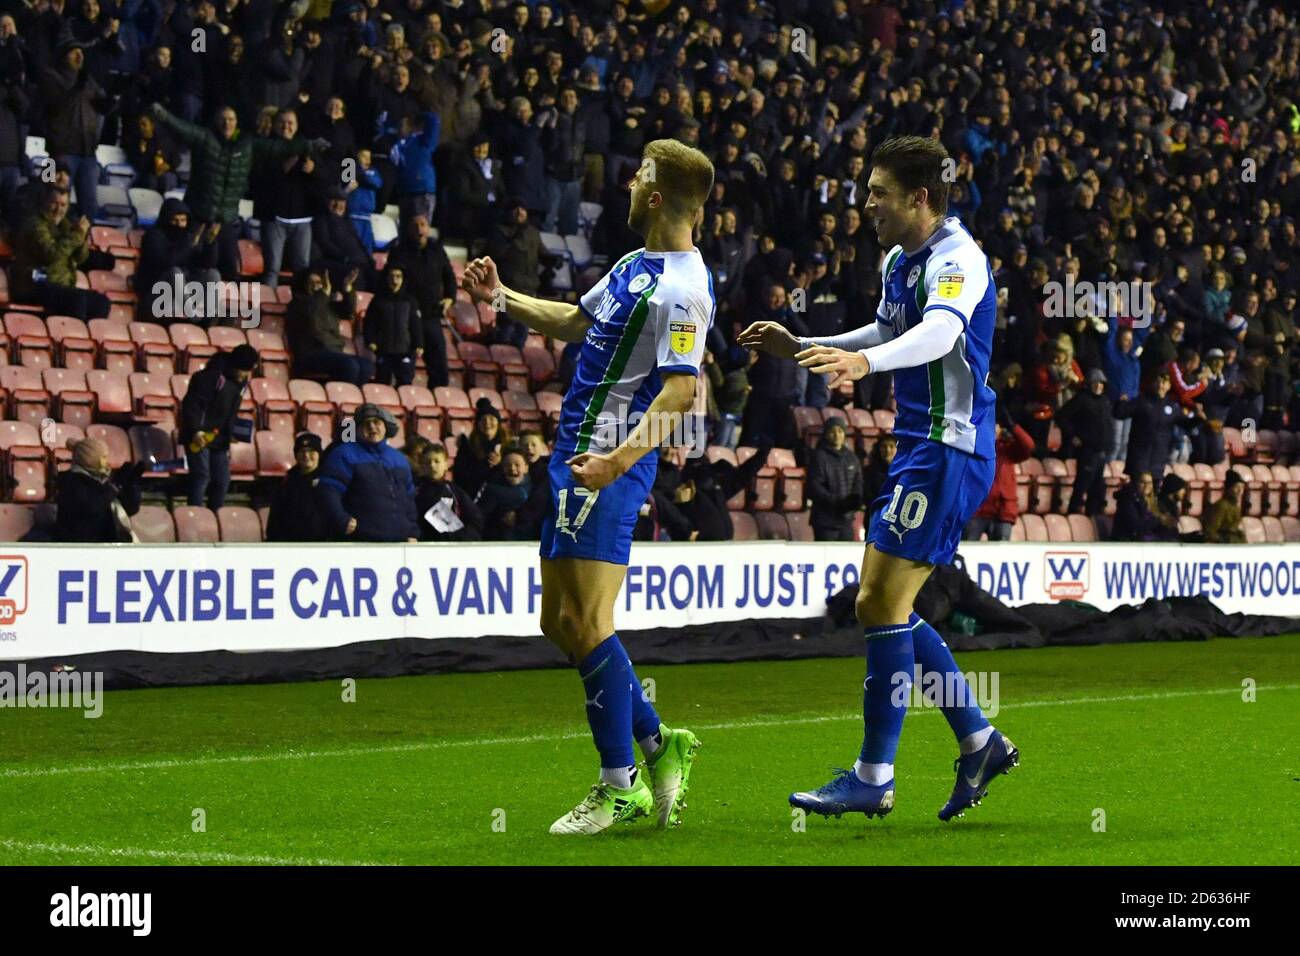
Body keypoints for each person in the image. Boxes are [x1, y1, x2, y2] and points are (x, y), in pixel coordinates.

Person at [739, 136, 1016, 824]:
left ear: (919, 198)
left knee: (881, 604)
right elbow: (887, 329)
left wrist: (866, 368)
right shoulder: (899, 260)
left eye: (878, 194)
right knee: (878, 604)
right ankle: (978, 739)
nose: (866, 206)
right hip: (918, 445)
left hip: (950, 448)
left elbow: (939, 335)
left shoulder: (961, 259)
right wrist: (805, 346)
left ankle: (874, 776)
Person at [461, 138, 712, 834]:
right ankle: (662, 743)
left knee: (589, 623)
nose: (629, 184)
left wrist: (618, 460)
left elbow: (680, 393)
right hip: (576, 453)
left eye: (639, 177)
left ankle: (619, 783)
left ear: (658, 196)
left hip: (607, 458)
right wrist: (502, 297)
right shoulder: (636, 266)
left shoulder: (685, 288)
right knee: (558, 623)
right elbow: (579, 320)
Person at [150, 102, 328, 279]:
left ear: (236, 122)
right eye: (223, 119)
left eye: (231, 119)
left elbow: (278, 147)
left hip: (227, 218)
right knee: (191, 262)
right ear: (216, 121)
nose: (227, 123)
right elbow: (183, 128)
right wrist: (164, 116)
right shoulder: (204, 138)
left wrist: (309, 146)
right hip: (199, 215)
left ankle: (224, 306)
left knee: (229, 270)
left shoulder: (246, 143)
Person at [315, 404, 420, 542]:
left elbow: (409, 498)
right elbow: (328, 490)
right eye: (366, 423)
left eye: (376, 422)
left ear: (385, 427)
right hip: (360, 540)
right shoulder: (343, 454)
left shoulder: (399, 458)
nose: (372, 427)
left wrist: (412, 530)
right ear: (357, 429)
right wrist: (341, 520)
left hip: (399, 540)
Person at [11, 186, 110, 320]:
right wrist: (76, 236)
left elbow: (80, 258)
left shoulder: (65, 225)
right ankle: (75, 337)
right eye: (54, 203)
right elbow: (52, 255)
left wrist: (81, 236)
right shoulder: (35, 225)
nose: (59, 209)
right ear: (45, 202)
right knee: (77, 300)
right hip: (32, 284)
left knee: (101, 302)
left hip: (58, 285)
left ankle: (89, 337)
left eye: (63, 205)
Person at [180, 345, 259, 511]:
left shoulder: (240, 382)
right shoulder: (210, 377)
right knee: (201, 476)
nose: (247, 374)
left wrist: (231, 431)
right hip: (199, 436)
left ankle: (215, 517)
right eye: (245, 370)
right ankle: (195, 515)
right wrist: (196, 430)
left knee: (222, 479)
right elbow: (193, 406)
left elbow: (231, 410)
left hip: (219, 437)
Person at [135, 197, 221, 321]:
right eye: (174, 220)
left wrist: (210, 242)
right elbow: (167, 262)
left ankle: (210, 318)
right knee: (175, 272)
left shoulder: (188, 238)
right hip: (155, 298)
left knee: (213, 274)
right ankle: (192, 315)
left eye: (183, 220)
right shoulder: (153, 237)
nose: (179, 225)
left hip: (181, 296)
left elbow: (207, 263)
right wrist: (187, 244)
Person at [286, 266, 374, 386]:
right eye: (311, 283)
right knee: (349, 365)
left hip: (332, 351)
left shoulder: (327, 303)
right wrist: (323, 294)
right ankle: (340, 397)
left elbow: (348, 311)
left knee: (366, 366)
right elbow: (313, 314)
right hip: (308, 353)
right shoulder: (298, 304)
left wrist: (347, 289)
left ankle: (353, 398)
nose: (317, 286)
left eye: (319, 282)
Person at [51, 437, 144, 543]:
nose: (106, 461)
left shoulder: (103, 480)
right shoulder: (70, 481)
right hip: (81, 545)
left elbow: (131, 509)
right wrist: (114, 485)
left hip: (105, 544)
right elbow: (93, 507)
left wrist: (132, 484)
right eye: (103, 457)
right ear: (90, 459)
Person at [964, 410, 1035, 541]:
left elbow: (1028, 445)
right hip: (976, 510)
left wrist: (1013, 426)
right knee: (968, 553)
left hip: (1003, 512)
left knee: (1000, 554)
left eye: (995, 425)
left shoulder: (1008, 449)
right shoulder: (972, 446)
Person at [1056, 368, 1116, 516]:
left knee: (1097, 486)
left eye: (1101, 383)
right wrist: (1073, 436)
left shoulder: (1105, 401)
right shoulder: (1081, 399)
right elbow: (1061, 417)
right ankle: (1073, 514)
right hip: (1087, 451)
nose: (1098, 386)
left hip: (1101, 451)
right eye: (1095, 383)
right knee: (1082, 484)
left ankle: (1091, 517)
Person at [363, 263, 424, 387]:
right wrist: (370, 341)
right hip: (384, 350)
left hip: (405, 350)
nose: (394, 280)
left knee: (405, 385)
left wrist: (419, 344)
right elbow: (369, 322)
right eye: (391, 276)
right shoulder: (378, 300)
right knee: (382, 384)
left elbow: (416, 324)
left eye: (398, 277)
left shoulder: (410, 300)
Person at [265, 432, 329, 542]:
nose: (306, 455)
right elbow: (275, 517)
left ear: (319, 454)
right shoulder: (287, 482)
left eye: (311, 451)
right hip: (291, 546)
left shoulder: (330, 481)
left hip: (322, 546)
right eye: (302, 451)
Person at [807, 416, 863, 540]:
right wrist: (837, 503)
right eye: (832, 431)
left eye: (840, 431)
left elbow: (858, 483)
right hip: (825, 522)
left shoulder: (852, 457)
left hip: (847, 520)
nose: (836, 435)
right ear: (826, 434)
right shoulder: (818, 457)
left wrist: (854, 501)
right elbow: (815, 486)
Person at [414, 443, 482, 542]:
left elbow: (475, 519)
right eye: (427, 462)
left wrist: (459, 536)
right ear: (422, 466)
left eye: (436, 461)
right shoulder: (415, 491)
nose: (432, 465)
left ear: (446, 465)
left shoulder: (455, 491)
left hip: (453, 546)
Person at [476, 445, 534, 540]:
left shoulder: (536, 489)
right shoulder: (492, 490)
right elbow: (480, 517)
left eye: (517, 464)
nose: (512, 468)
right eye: (508, 465)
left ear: (526, 468)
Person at [1202, 470, 1247, 543]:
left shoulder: (1235, 506)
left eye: (1242, 487)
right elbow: (1210, 531)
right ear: (1228, 488)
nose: (1240, 491)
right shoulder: (1221, 506)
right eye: (1236, 487)